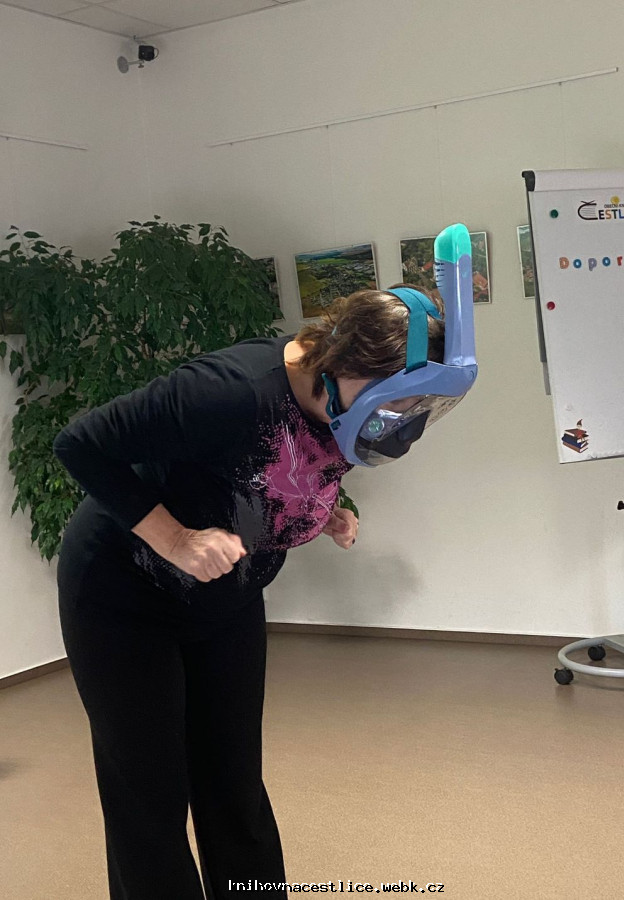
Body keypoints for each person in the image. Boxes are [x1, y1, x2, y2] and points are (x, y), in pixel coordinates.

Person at [54, 284, 445, 900]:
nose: (396, 419)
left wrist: (322, 512)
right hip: (122, 594)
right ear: (342, 362)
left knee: (233, 781)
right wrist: (177, 539)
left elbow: (281, 468)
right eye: (392, 401)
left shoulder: (343, 403)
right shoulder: (228, 391)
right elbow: (79, 444)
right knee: (150, 792)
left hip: (226, 598)